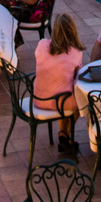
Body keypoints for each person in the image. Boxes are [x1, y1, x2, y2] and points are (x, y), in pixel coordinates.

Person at [33, 12, 85, 156]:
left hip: (39, 99)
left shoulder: (42, 44)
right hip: (61, 102)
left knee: (61, 90)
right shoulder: (76, 52)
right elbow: (76, 76)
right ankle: (65, 133)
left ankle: (63, 134)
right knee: (79, 100)